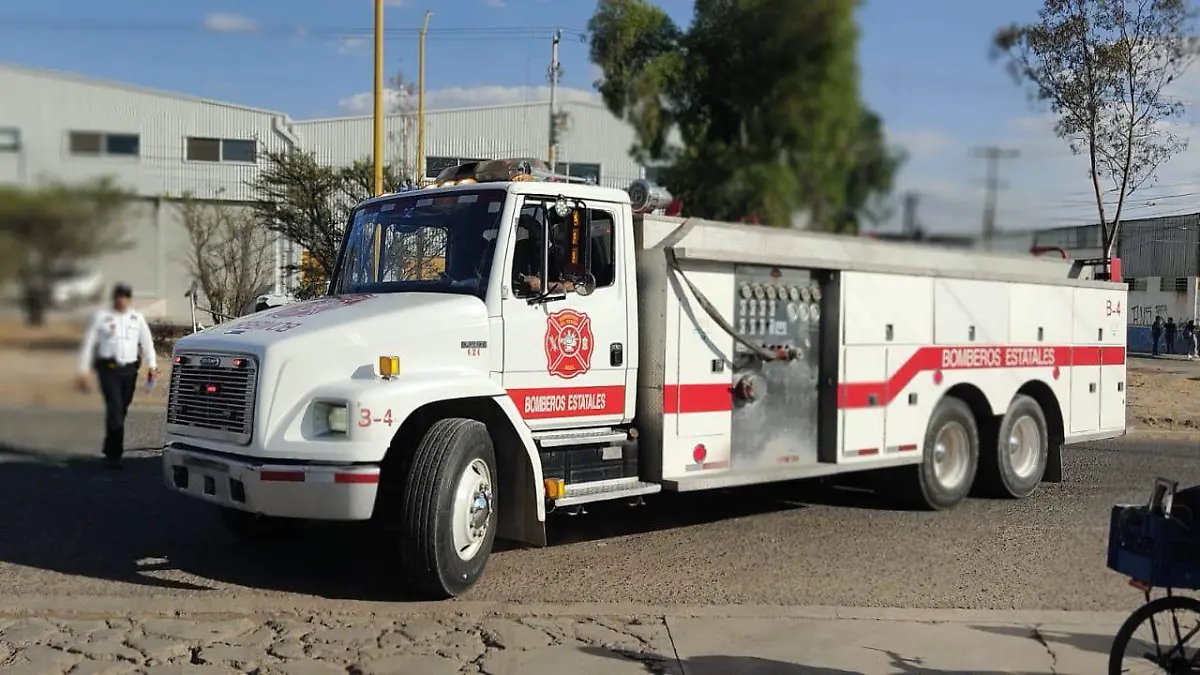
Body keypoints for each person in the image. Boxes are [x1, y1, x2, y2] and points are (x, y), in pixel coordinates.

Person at [76, 283, 159, 469]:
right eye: (118, 297)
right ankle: (114, 455)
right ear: (114, 299)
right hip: (108, 369)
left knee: (121, 408)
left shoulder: (136, 318)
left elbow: (147, 343)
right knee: (114, 408)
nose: (121, 301)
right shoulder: (102, 318)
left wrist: (152, 365)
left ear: (129, 300)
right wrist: (83, 370)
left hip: (129, 370)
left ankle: (109, 446)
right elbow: (89, 343)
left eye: (125, 297)